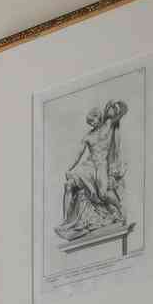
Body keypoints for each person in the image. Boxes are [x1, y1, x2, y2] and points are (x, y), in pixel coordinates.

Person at [58, 99, 127, 236]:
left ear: (99, 117)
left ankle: (119, 208)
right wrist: (69, 169)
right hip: (88, 166)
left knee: (103, 193)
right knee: (69, 184)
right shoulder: (88, 136)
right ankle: (66, 221)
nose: (92, 124)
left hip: (102, 166)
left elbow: (118, 111)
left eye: (93, 121)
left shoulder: (108, 125)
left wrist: (112, 105)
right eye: (89, 122)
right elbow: (77, 155)